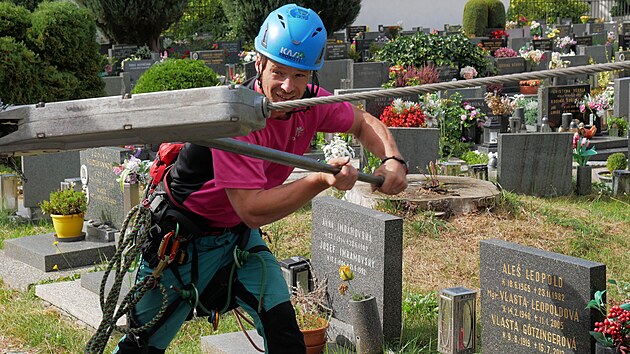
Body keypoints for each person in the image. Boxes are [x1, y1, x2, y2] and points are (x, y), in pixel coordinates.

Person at [113, 3, 407, 353]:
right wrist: (321, 180)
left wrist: (392, 159)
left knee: (285, 334)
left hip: (236, 241)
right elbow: (251, 209)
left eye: (300, 75)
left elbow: (361, 122)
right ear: (259, 64)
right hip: (180, 242)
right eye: (278, 72)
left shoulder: (310, 104)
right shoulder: (235, 119)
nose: (288, 86)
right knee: (142, 345)